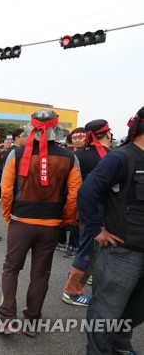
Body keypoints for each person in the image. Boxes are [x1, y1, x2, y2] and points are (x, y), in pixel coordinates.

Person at [0, 109, 82, 336]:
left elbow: (6, 192)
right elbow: (75, 194)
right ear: (56, 130)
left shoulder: (15, 154)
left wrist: (8, 217)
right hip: (51, 224)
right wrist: (66, 218)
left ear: (31, 129)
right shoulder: (69, 157)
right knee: (40, 273)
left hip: (21, 221)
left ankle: (7, 319)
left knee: (11, 269)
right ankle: (32, 321)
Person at [79, 107, 144, 355]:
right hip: (122, 253)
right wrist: (96, 229)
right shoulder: (120, 158)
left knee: (137, 308)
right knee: (106, 311)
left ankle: (119, 341)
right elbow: (86, 193)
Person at [61, 119, 113, 307]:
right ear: (107, 134)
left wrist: (71, 212)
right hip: (99, 211)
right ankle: (71, 291)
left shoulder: (76, 156)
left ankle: (81, 278)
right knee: (88, 250)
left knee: (87, 247)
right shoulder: (111, 156)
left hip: (79, 208)